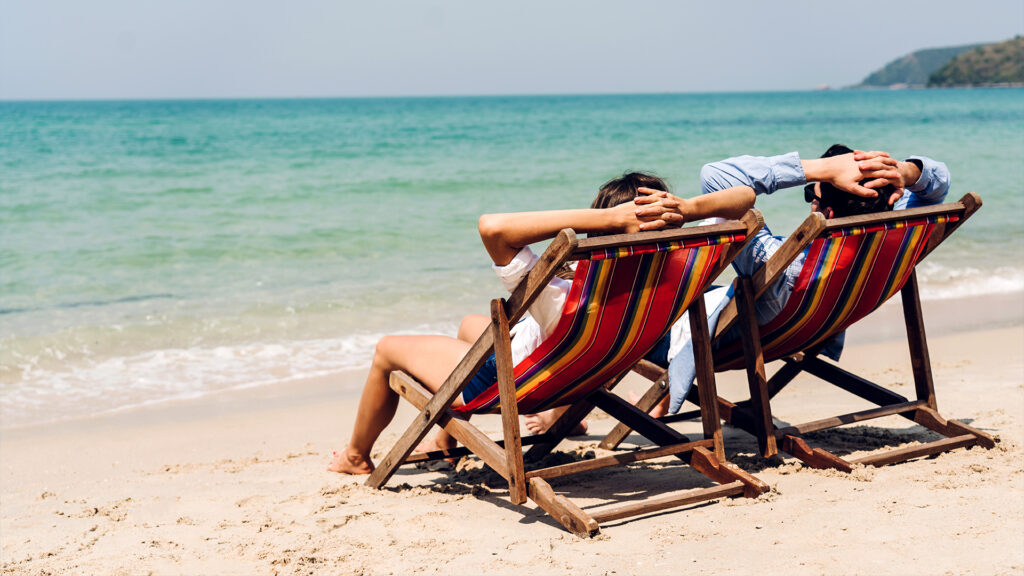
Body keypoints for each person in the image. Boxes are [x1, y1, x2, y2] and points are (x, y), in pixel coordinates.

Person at [329, 173, 757, 474]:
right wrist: (689, 209)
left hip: (518, 382)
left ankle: (355, 455)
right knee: (469, 324)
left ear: (603, 230)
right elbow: (745, 199)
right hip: (583, 372)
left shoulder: (563, 292)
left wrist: (611, 220)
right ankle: (445, 438)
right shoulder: (679, 269)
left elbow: (492, 226)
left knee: (387, 350)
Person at [632, 145, 951, 414]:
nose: (809, 200)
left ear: (827, 212)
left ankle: (632, 395)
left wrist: (820, 169)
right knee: (704, 292)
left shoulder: (784, 266)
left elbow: (716, 175)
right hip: (806, 325)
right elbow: (940, 181)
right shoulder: (899, 230)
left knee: (635, 309)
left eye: (812, 195)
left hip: (696, 338)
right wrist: (905, 172)